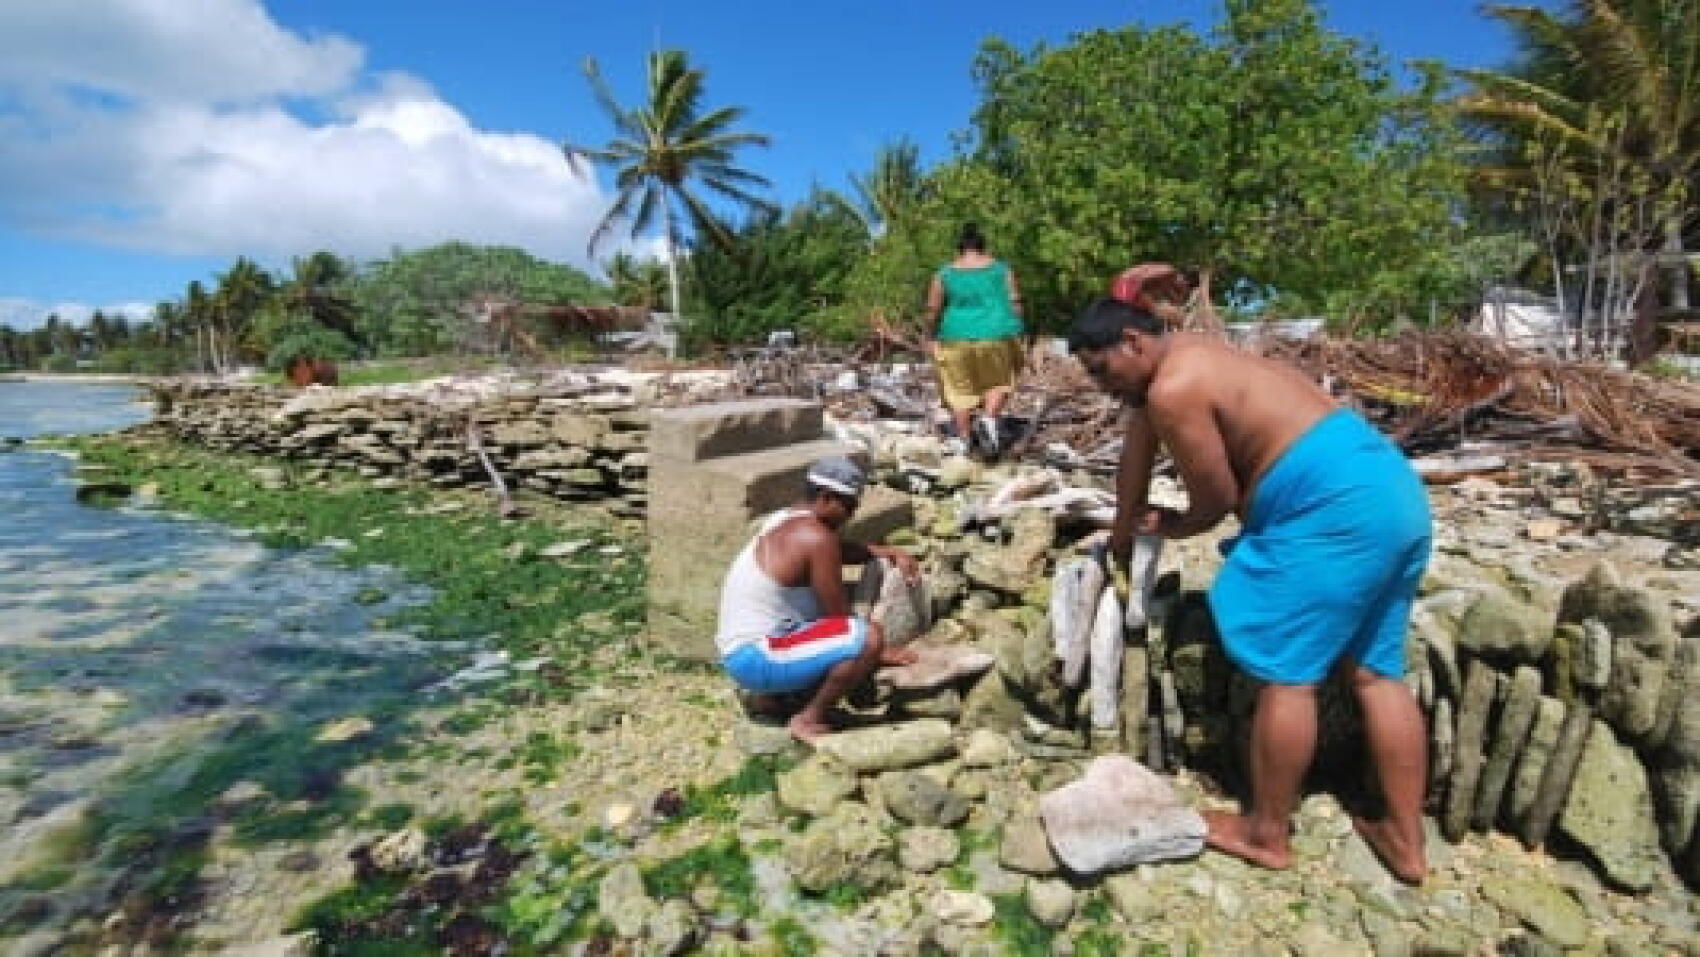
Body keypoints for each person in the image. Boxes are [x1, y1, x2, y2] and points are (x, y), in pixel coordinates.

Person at [1069, 297, 1432, 885]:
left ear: (1133, 342)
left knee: (1289, 677)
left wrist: (1175, 524)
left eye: (1102, 371)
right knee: (1374, 673)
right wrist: (1119, 530)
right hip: (1392, 493)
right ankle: (1406, 842)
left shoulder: (1172, 389)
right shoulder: (1188, 356)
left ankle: (1266, 831)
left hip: (1331, 511)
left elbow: (1215, 497)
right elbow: (1138, 453)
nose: (1101, 387)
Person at [715, 456, 922, 742]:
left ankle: (776, 698)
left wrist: (886, 552)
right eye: (848, 506)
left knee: (851, 640)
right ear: (826, 498)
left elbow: (840, 550)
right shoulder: (816, 537)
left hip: (740, 654)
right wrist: (879, 653)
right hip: (759, 658)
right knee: (868, 637)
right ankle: (808, 718)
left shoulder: (785, 519)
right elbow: (838, 618)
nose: (851, 515)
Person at [924, 223, 1026, 458]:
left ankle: (964, 439)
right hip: (996, 332)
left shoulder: (944, 274)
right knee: (998, 380)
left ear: (960, 250)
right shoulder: (1002, 270)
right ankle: (989, 419)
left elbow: (932, 309)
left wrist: (929, 335)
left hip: (954, 335)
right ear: (983, 248)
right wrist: (1018, 327)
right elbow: (1015, 300)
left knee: (959, 390)